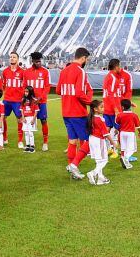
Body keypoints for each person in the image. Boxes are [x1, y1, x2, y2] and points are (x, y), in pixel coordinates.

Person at [56, 46, 94, 180]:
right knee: (90, 141)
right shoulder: (80, 71)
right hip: (77, 112)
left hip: (66, 111)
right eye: (86, 59)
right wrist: (90, 102)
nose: (86, 61)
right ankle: (74, 165)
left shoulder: (64, 71)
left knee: (72, 141)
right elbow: (79, 93)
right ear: (83, 58)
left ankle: (72, 169)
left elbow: (58, 91)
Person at [23, 51, 51, 151]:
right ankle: (30, 143)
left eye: (40, 61)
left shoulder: (45, 71)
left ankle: (45, 143)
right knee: (29, 121)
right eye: (37, 61)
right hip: (30, 103)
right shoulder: (26, 72)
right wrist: (27, 98)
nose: (39, 63)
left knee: (43, 120)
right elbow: (24, 87)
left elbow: (47, 86)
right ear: (33, 61)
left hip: (41, 101)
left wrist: (40, 97)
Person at [86, 99, 116, 186]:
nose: (103, 108)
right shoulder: (100, 119)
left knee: (99, 160)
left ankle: (100, 178)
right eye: (101, 107)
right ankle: (93, 173)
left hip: (92, 139)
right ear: (95, 109)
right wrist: (113, 143)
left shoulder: (91, 118)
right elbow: (106, 133)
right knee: (105, 160)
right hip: (99, 140)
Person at [1, 52, 27, 149]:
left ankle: (20, 141)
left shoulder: (22, 72)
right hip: (7, 99)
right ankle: (4, 138)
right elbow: (3, 84)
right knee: (3, 118)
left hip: (17, 101)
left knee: (20, 120)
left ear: (17, 59)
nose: (12, 58)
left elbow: (25, 86)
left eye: (14, 57)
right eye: (11, 57)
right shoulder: (5, 71)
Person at [102, 59, 126, 140]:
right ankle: (121, 149)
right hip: (113, 109)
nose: (120, 68)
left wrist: (127, 102)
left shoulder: (108, 76)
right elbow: (111, 94)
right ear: (116, 67)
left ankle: (105, 148)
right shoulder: (113, 78)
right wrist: (115, 108)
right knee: (120, 129)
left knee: (107, 129)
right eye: (119, 66)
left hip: (106, 108)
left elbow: (114, 94)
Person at [115, 99, 140, 169]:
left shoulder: (120, 115)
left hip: (122, 133)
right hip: (130, 133)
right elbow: (138, 126)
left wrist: (117, 130)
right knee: (131, 149)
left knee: (123, 147)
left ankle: (126, 163)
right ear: (130, 106)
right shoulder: (134, 115)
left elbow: (117, 123)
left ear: (122, 107)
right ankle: (126, 158)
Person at [21, 87, 38, 153]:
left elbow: (36, 111)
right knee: (26, 132)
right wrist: (23, 117)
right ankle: (27, 146)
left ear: (30, 92)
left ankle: (32, 147)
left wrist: (33, 119)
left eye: (27, 91)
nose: (25, 93)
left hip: (31, 118)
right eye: (25, 91)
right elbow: (22, 109)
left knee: (30, 133)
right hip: (25, 118)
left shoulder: (34, 100)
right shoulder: (23, 100)